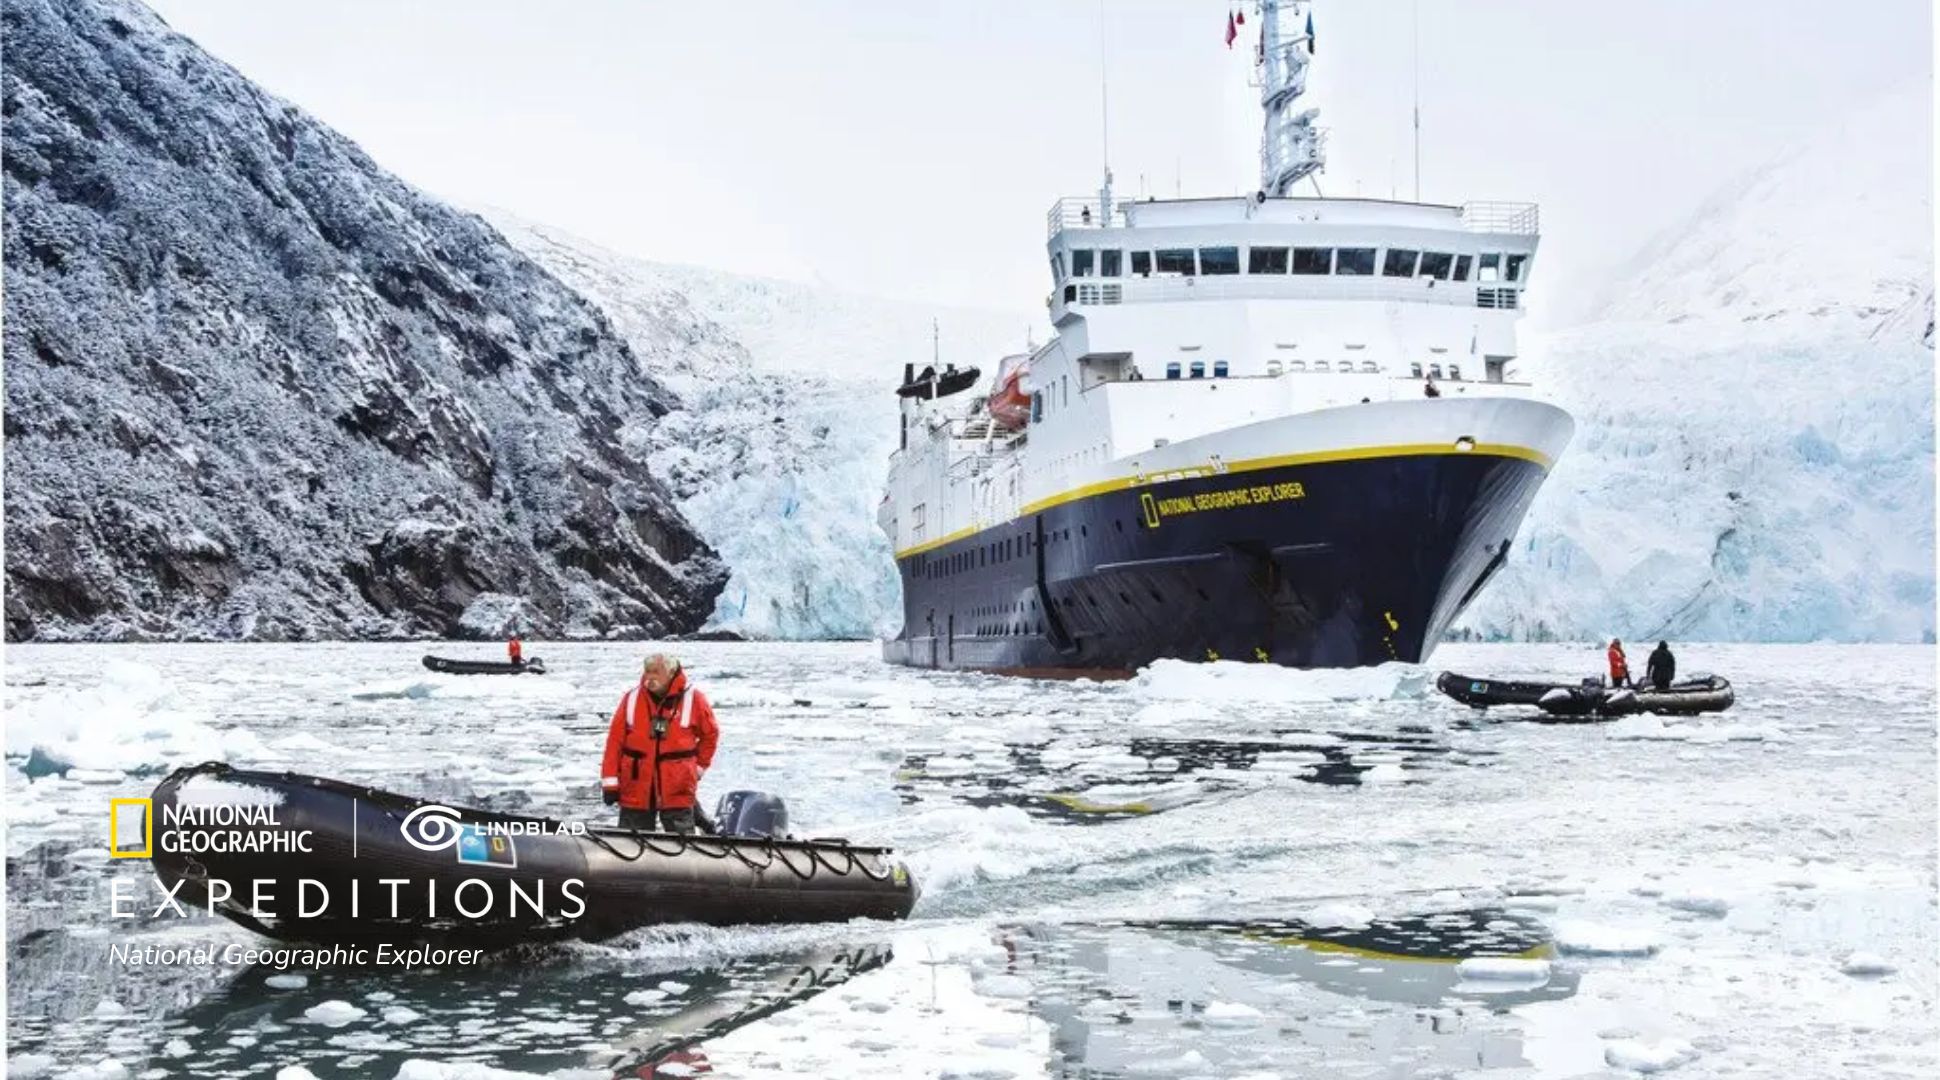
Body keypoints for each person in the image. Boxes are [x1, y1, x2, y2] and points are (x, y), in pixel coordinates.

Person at [601, 653, 719, 834]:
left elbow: (710, 735)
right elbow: (614, 742)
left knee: (682, 844)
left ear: (672, 673)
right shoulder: (631, 699)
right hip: (636, 785)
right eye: (647, 672)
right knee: (630, 843)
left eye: (656, 672)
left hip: (677, 786)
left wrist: (698, 768)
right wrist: (610, 783)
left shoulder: (693, 699)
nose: (650, 677)